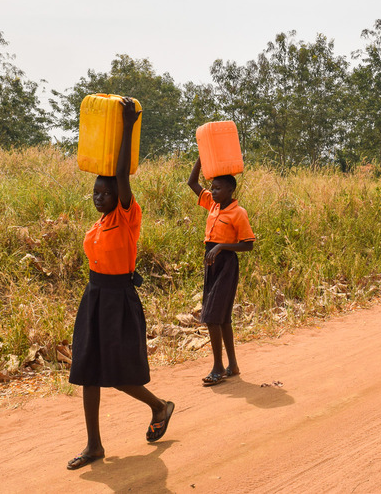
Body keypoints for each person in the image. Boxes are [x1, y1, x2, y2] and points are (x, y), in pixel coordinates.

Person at [67, 96, 175, 471]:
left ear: (118, 197)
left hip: (118, 298)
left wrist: (127, 126)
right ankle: (94, 445)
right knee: (86, 370)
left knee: (114, 372)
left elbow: (123, 175)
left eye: (106, 193)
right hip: (94, 296)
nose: (100, 197)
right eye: (96, 192)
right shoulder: (97, 226)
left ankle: (159, 406)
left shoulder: (127, 216)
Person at [188, 158, 256, 386]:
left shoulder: (239, 213)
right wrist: (202, 159)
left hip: (226, 264)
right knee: (223, 317)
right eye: (212, 188)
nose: (213, 192)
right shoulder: (213, 204)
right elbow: (192, 182)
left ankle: (218, 367)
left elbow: (248, 244)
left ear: (231, 190)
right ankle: (233, 365)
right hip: (211, 263)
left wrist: (222, 246)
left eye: (218, 188)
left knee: (212, 317)